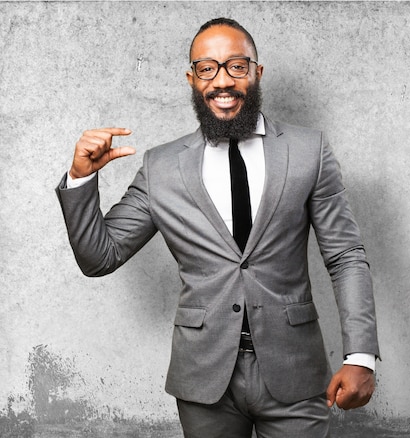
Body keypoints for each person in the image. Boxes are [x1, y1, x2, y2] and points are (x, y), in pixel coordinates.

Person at [56, 18, 379, 438]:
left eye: (236, 66)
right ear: (192, 79)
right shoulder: (161, 167)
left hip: (295, 371)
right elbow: (100, 257)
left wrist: (361, 356)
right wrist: (81, 177)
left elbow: (345, 256)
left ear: (257, 72)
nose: (222, 81)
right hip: (204, 377)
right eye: (207, 68)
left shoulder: (307, 150)